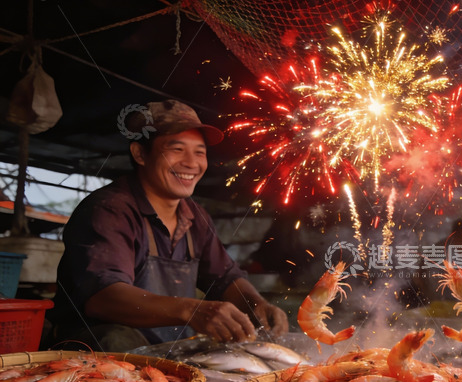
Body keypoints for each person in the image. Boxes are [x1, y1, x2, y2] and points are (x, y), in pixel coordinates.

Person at [48, 99, 289, 352]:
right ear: (140, 154)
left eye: (199, 152)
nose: (191, 163)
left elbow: (225, 278)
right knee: (115, 338)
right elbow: (103, 297)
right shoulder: (110, 210)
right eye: (177, 149)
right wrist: (191, 310)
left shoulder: (195, 216)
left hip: (166, 351)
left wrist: (256, 304)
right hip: (96, 353)